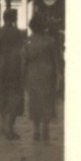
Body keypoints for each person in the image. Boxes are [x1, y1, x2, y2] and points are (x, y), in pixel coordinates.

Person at [0, 8, 25, 139]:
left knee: (1, 96)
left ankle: (3, 124)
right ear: (13, 19)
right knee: (14, 98)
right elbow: (23, 52)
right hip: (14, 70)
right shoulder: (18, 34)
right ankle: (9, 127)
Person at [24, 14, 60, 142]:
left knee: (34, 101)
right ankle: (45, 128)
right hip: (47, 75)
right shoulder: (51, 41)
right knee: (47, 101)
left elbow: (25, 61)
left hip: (32, 75)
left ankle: (36, 130)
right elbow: (57, 61)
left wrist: (23, 77)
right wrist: (58, 77)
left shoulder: (28, 41)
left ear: (32, 26)